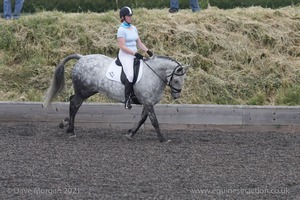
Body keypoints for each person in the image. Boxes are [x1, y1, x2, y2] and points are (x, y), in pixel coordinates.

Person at [117, 6, 153, 109]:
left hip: (134, 54)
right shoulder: (121, 30)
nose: (130, 17)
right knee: (130, 76)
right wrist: (134, 53)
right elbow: (122, 46)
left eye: (131, 15)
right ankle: (127, 100)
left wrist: (148, 51)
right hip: (125, 55)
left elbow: (139, 43)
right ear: (123, 17)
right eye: (128, 16)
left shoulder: (134, 28)